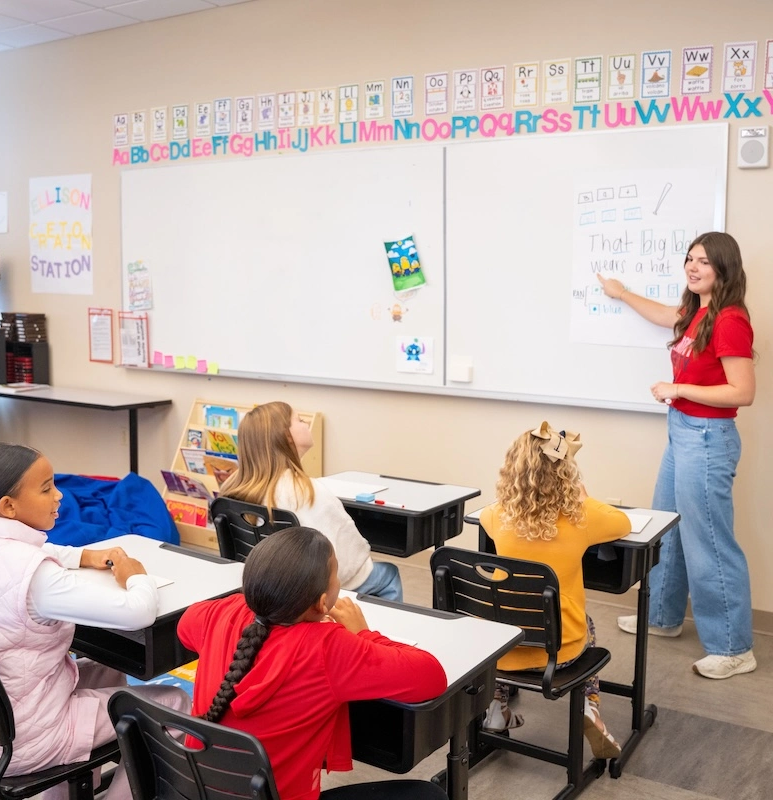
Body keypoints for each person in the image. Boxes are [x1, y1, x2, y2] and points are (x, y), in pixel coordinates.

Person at [0, 442, 190, 800]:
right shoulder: (38, 579)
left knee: (106, 670)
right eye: (46, 489)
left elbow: (33, 549)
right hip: (22, 740)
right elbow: (138, 611)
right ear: (8, 506)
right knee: (174, 703)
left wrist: (85, 555)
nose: (59, 496)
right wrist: (136, 576)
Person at [177, 526, 447, 800]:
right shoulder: (327, 647)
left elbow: (185, 628)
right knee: (427, 794)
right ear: (321, 603)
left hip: (197, 791)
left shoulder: (222, 612)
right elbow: (432, 677)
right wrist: (363, 634)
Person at [598, 231, 756, 680]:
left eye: (703, 261)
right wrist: (622, 293)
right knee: (666, 524)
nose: (693, 266)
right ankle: (663, 618)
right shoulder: (697, 312)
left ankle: (733, 646)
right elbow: (663, 313)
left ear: (723, 266)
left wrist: (679, 389)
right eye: (689, 258)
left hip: (708, 436)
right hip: (683, 430)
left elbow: (742, 391)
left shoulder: (729, 319)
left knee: (709, 540)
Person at [479, 422, 630, 759]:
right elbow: (623, 523)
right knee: (586, 624)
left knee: (506, 618)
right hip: (560, 655)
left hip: (502, 653)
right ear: (566, 472)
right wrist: (580, 492)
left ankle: (495, 706)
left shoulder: (496, 515)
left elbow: (493, 511)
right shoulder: (581, 515)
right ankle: (590, 708)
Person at [218, 401, 403, 601]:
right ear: (286, 436)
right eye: (298, 420)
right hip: (309, 591)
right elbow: (347, 561)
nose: (306, 422)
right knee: (389, 574)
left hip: (269, 587)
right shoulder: (307, 491)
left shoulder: (233, 488)